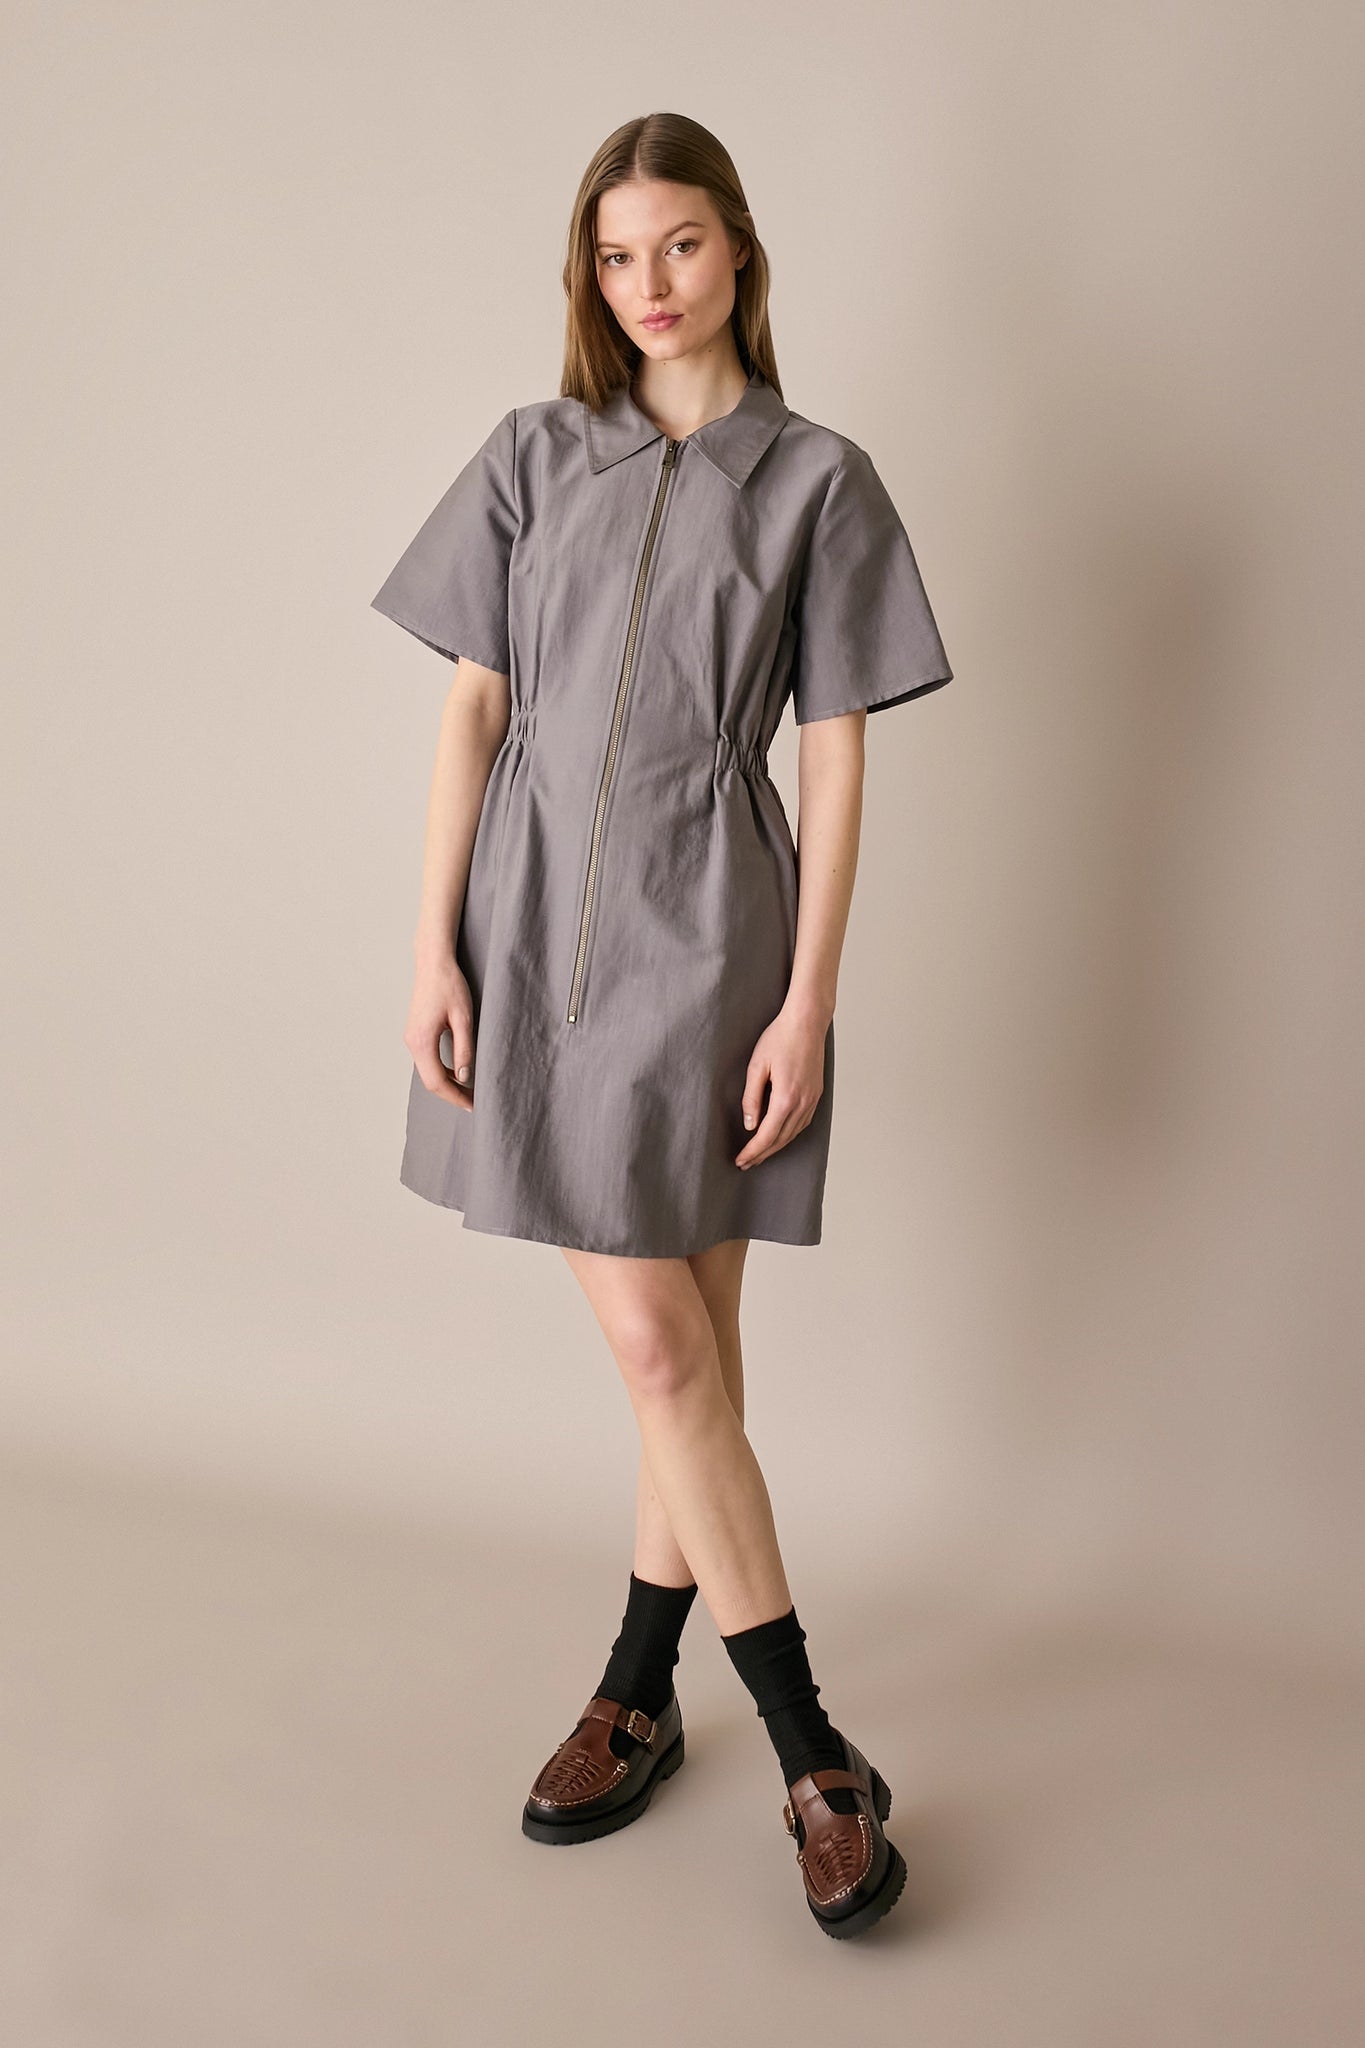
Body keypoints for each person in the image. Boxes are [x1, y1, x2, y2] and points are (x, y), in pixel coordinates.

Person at [369, 112, 953, 1940]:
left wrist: (810, 999)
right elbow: (474, 713)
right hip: (534, 930)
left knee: (685, 1352)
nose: (649, 285)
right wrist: (431, 947)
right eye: (617, 257)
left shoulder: (819, 481)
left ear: (738, 250)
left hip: (718, 940)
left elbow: (834, 761)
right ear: (589, 276)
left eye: (679, 245)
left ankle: (636, 1695)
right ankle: (813, 1753)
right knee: (665, 1353)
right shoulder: (531, 455)